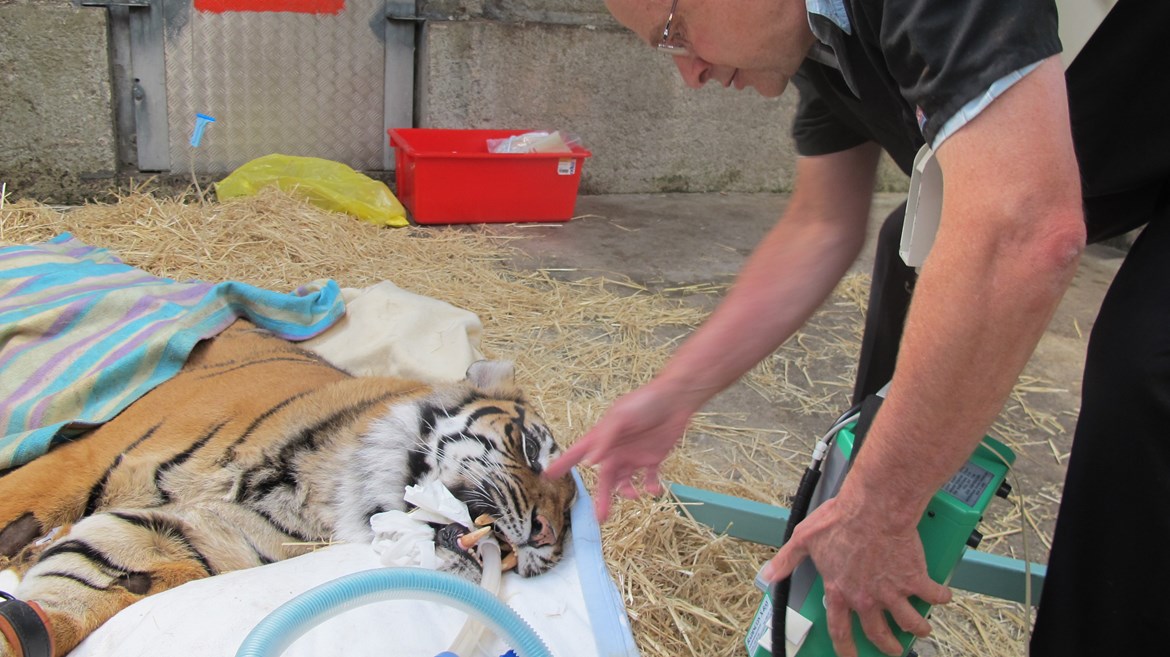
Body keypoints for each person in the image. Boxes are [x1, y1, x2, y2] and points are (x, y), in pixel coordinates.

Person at [544, 0, 1169, 656]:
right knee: (918, 253)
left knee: (1146, 365)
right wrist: (674, 393)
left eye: (675, 31)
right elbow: (820, 225)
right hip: (1114, 111)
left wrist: (883, 504)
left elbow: (1028, 228)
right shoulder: (815, 38)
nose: (688, 72)